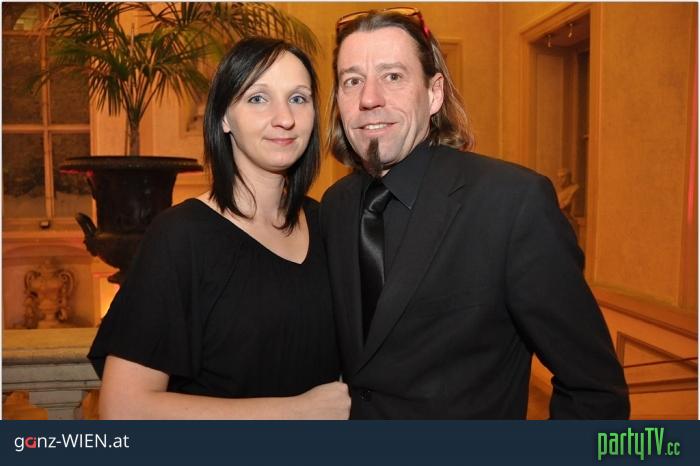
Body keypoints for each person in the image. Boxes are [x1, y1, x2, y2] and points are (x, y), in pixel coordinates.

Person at [320, 8, 629, 419]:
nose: (369, 98)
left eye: (392, 76)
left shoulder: (512, 203)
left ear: (434, 93)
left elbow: (595, 392)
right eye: (352, 80)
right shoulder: (334, 206)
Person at [88, 37, 349, 419]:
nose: (285, 118)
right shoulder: (181, 236)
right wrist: (296, 412)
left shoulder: (329, 223)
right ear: (224, 117)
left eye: (298, 98)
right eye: (258, 98)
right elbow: (123, 408)